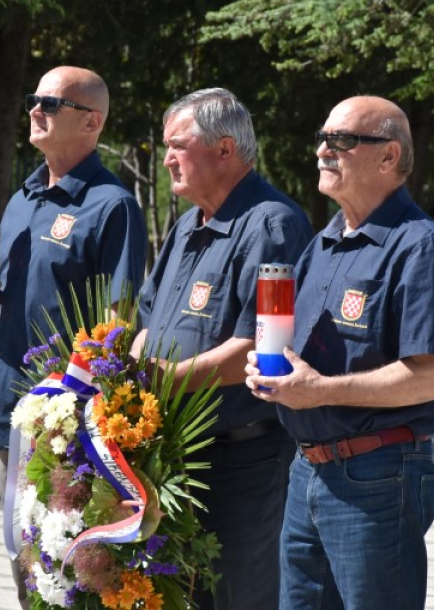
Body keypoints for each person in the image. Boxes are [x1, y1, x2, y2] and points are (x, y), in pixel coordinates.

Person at [244, 95, 434, 610]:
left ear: (389, 157)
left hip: (377, 474)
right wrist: (272, 371)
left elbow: (432, 377)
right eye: (322, 138)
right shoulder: (322, 243)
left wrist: (318, 392)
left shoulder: (419, 247)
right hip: (306, 472)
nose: (324, 150)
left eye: (342, 140)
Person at [0, 65, 147, 609]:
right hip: (10, 410)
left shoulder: (113, 206)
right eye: (32, 99)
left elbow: (117, 323)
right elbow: (24, 309)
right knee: (24, 566)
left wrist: (83, 409)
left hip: (70, 423)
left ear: (91, 122)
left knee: (72, 572)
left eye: (50, 103)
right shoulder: (20, 200)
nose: (35, 110)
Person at [130, 87, 314, 610]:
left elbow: (258, 345)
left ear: (225, 149)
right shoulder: (188, 225)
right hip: (174, 455)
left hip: (241, 459)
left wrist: (164, 380)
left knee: (237, 597)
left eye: (177, 145)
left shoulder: (272, 225)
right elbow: (148, 320)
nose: (166, 158)